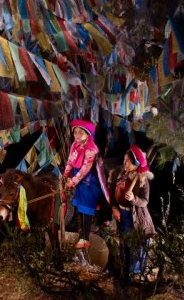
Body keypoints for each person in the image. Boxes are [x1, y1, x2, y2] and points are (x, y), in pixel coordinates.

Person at [109, 145, 156, 281]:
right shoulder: (120, 174)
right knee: (123, 241)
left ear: (136, 164)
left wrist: (134, 199)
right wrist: (114, 207)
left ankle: (134, 272)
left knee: (136, 243)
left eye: (128, 161)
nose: (125, 163)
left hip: (135, 217)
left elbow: (145, 201)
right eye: (124, 160)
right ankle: (124, 269)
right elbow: (112, 192)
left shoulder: (142, 179)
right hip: (121, 215)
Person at [64, 120, 109, 250]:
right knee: (78, 205)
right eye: (75, 132)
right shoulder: (74, 145)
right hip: (77, 178)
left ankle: (85, 237)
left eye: (80, 133)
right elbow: (70, 162)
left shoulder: (92, 149)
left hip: (89, 181)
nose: (77, 135)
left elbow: (85, 169)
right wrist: (65, 176)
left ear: (88, 134)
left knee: (86, 202)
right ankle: (81, 230)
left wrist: (72, 182)